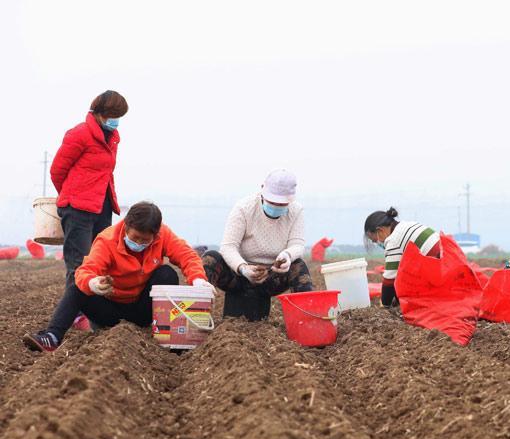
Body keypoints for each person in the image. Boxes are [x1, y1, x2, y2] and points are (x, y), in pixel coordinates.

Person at [23, 202, 211, 352]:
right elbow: (86, 269)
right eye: (135, 238)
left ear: (155, 235)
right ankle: (52, 336)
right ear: (126, 226)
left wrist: (198, 279)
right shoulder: (107, 240)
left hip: (144, 309)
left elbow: (186, 255)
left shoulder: (163, 235)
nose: (139, 243)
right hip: (110, 309)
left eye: (145, 240)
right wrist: (93, 283)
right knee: (76, 287)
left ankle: (170, 336)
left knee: (166, 273)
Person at [202, 170, 313, 321]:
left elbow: (297, 244)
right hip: (239, 275)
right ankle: (198, 317)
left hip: (271, 276)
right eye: (272, 202)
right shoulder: (244, 208)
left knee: (298, 266)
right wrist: (243, 268)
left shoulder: (296, 211)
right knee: (210, 258)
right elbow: (228, 247)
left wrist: (287, 255)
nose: (276, 206)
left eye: (282, 204)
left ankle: (306, 322)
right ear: (262, 190)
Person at [51, 90, 128, 286]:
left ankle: (96, 306)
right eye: (113, 115)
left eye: (119, 116)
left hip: (103, 206)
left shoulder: (112, 137)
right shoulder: (80, 133)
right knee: (79, 264)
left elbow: (105, 173)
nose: (116, 120)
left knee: (101, 262)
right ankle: (75, 305)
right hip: (78, 209)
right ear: (99, 113)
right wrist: (70, 196)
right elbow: (57, 171)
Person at [363, 207, 441, 307]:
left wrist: (385, 304)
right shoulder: (405, 225)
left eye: (375, 240)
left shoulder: (393, 240)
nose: (378, 243)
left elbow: (389, 280)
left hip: (438, 266)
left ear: (380, 231)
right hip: (447, 258)